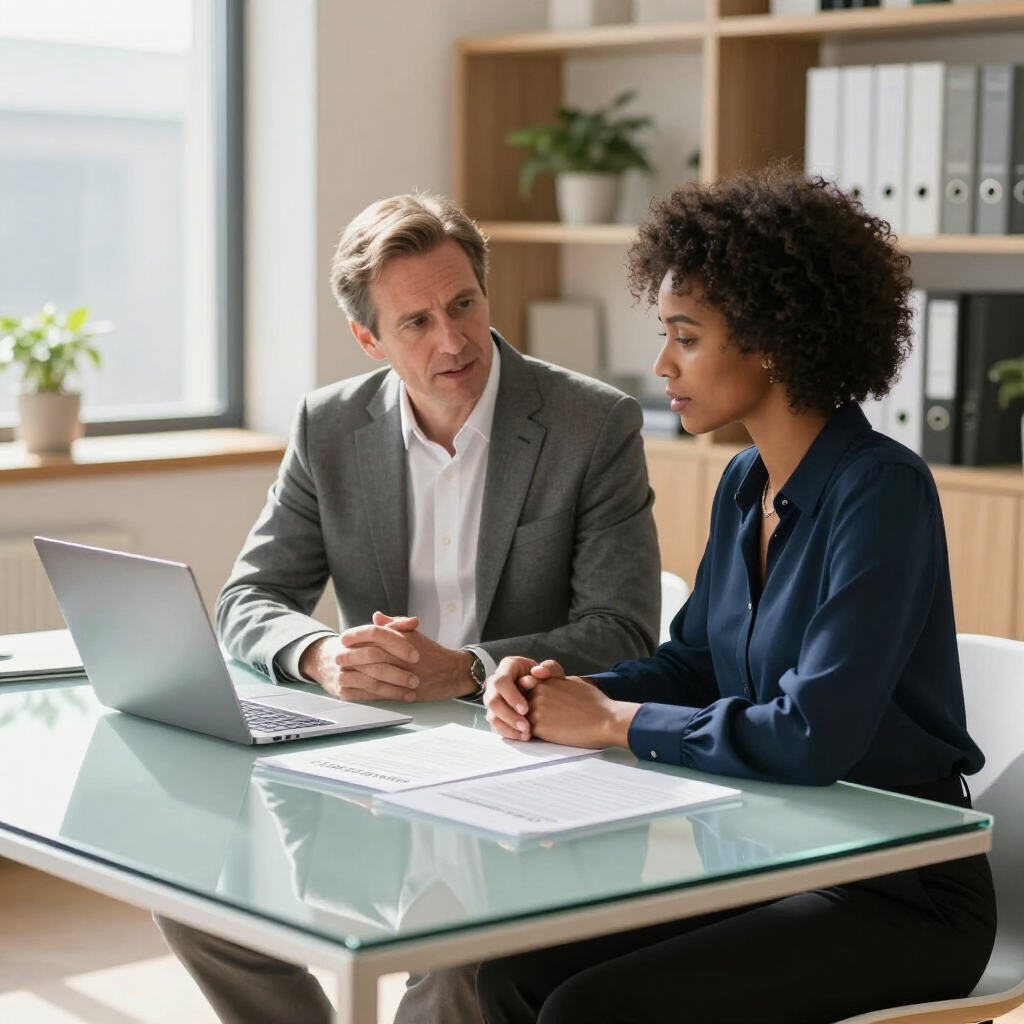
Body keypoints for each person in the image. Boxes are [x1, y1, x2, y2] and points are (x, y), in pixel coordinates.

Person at [479, 167, 997, 1024]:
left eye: (686, 336)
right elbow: (692, 664)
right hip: (767, 861)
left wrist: (608, 725)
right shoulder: (742, 482)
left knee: (592, 1009)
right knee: (509, 973)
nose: (661, 364)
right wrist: (561, 694)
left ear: (771, 340)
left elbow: (813, 733)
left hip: (895, 889)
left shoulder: (883, 492)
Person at [155, 191, 661, 1024]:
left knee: (458, 966)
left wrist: (466, 671)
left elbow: (624, 630)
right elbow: (248, 598)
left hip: (530, 760)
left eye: (462, 304)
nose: (453, 340)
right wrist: (322, 655)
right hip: (377, 760)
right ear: (369, 338)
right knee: (187, 886)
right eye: (416, 322)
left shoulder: (590, 422)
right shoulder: (329, 426)